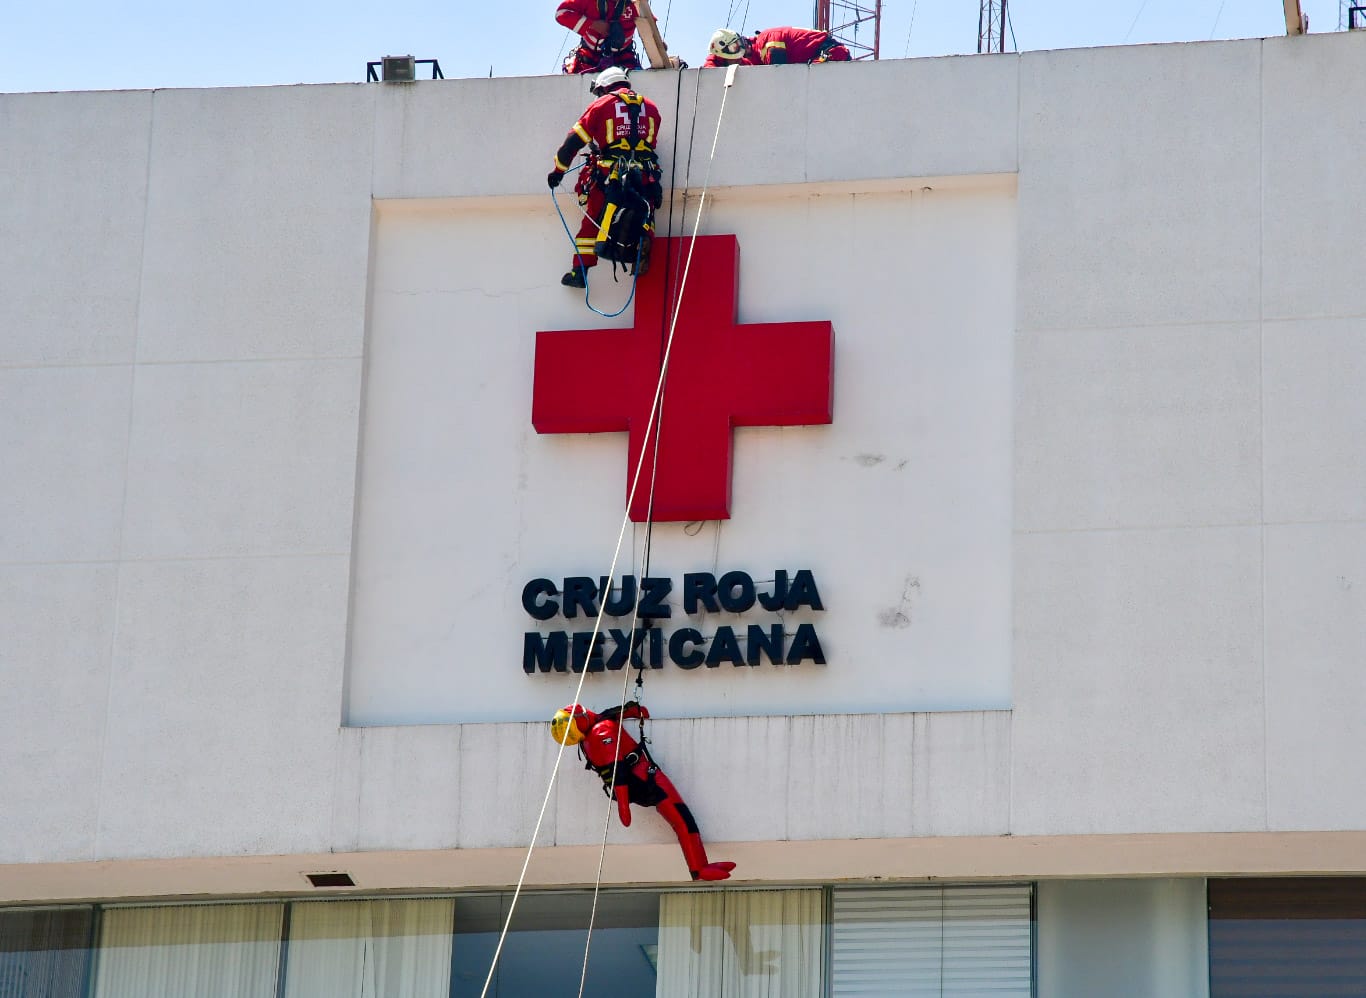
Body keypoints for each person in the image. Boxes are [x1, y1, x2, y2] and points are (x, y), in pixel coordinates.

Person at [551, 702, 736, 882]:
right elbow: (619, 770)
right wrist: (624, 807)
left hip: (639, 784)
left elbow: (614, 716)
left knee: (681, 820)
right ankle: (699, 869)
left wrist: (635, 711)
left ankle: (701, 865)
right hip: (646, 780)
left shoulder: (593, 731)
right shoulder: (601, 730)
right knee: (682, 819)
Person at [547, 67, 663, 288]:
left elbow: (572, 142)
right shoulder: (651, 107)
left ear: (604, 87)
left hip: (611, 175)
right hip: (646, 175)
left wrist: (558, 171)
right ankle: (641, 254)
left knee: (591, 221)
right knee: (646, 214)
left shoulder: (601, 105)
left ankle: (580, 272)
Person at [556, 0, 643, 75]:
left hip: (624, 58)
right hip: (589, 58)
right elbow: (561, 13)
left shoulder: (636, 4)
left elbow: (650, 24)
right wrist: (592, 24)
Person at [703, 26, 852, 68]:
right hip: (815, 62)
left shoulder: (769, 40)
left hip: (831, 54)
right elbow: (713, 67)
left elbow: (780, 73)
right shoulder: (754, 57)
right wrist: (713, 56)